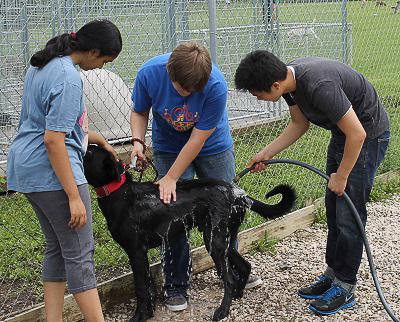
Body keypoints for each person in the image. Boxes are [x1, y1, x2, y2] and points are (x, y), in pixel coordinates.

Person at [234, 50, 390, 316]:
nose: (255, 97)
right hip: (344, 136)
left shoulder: (320, 86)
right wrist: (267, 152)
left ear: (274, 85)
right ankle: (333, 274)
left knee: (349, 215)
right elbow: (299, 123)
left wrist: (341, 176)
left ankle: (345, 285)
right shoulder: (287, 82)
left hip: (366, 137)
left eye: (255, 92)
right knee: (333, 207)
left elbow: (358, 133)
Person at [130, 41, 262, 312]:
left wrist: (171, 178)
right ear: (170, 73)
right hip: (168, 146)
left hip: (213, 147)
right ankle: (176, 284)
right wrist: (138, 142)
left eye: (194, 91)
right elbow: (140, 110)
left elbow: (197, 140)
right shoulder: (149, 73)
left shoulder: (215, 85)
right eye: (183, 89)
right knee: (171, 214)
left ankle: (231, 270)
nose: (189, 94)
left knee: (223, 211)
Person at [6, 19, 122, 322]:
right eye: (104, 61)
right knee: (80, 254)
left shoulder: (44, 62)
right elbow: (54, 141)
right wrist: (73, 196)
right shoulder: (70, 79)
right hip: (53, 174)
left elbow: (48, 123)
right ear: (93, 50)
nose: (100, 68)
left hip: (26, 168)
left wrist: (92, 137)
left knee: (57, 249)